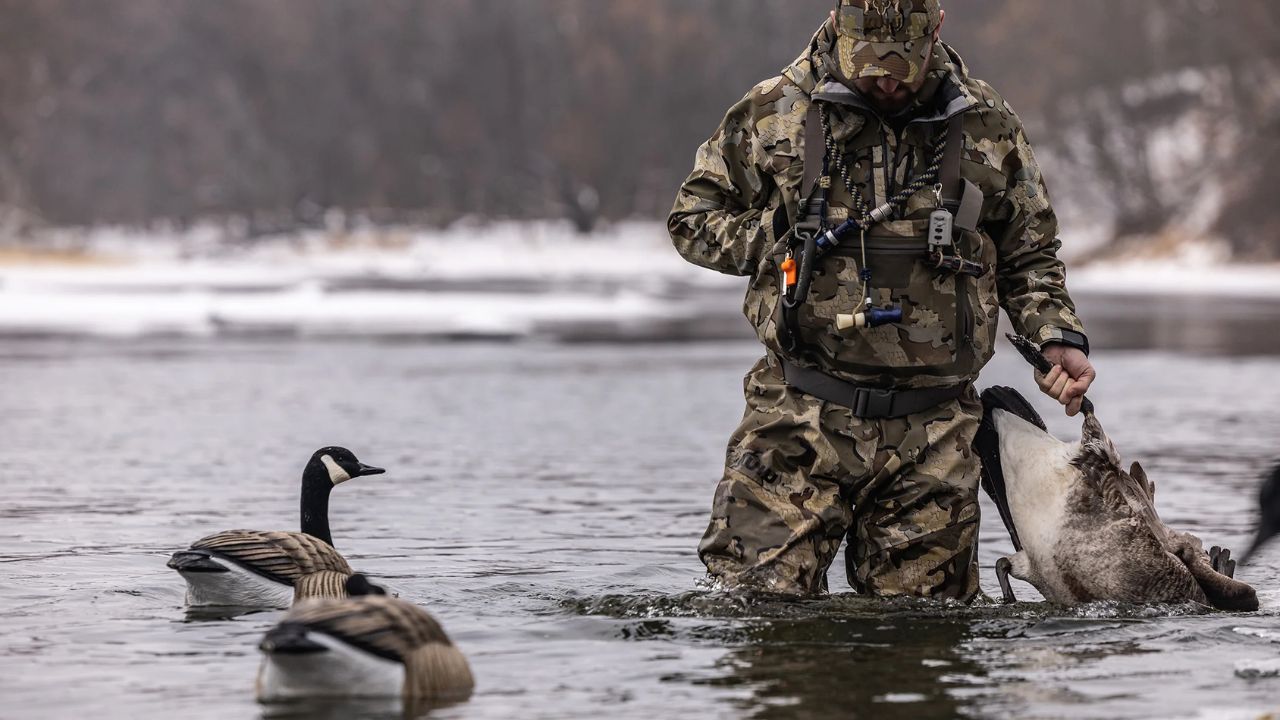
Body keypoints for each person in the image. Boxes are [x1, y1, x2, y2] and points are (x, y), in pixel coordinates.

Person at [668, 0, 1095, 600]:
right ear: (839, 27)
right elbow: (691, 221)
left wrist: (1056, 337)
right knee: (753, 621)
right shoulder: (774, 111)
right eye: (868, 64)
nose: (886, 79)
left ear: (936, 30)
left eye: (903, 65)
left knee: (919, 653)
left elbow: (1029, 255)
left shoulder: (988, 125)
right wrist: (777, 233)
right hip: (797, 417)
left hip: (935, 438)